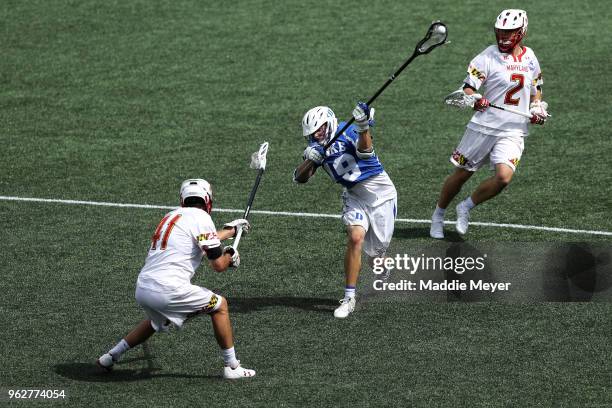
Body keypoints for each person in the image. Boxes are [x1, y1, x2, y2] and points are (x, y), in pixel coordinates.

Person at [97, 179, 256, 379]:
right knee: (220, 306)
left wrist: (231, 231)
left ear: (183, 199)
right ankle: (232, 367)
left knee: (158, 320)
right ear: (207, 201)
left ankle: (111, 356)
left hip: (144, 288)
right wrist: (230, 256)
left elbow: (197, 238)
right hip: (168, 290)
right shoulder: (202, 217)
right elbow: (218, 265)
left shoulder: (170, 216)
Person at [430, 9, 550, 239]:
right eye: (501, 32)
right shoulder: (487, 56)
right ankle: (438, 215)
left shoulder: (530, 57)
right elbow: (468, 88)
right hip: (484, 127)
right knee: (462, 174)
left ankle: (465, 207)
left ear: (521, 32)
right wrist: (475, 99)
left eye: (509, 32)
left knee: (503, 177)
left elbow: (537, 91)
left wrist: (537, 109)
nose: (503, 37)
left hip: (513, 130)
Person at [293, 103, 397, 318]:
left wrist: (362, 126)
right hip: (354, 195)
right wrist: (311, 159)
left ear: (328, 123)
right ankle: (349, 297)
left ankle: (384, 266)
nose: (316, 135)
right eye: (312, 133)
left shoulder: (347, 130)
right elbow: (299, 178)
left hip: (381, 193)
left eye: (319, 130)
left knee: (375, 258)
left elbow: (366, 152)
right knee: (356, 237)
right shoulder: (315, 147)